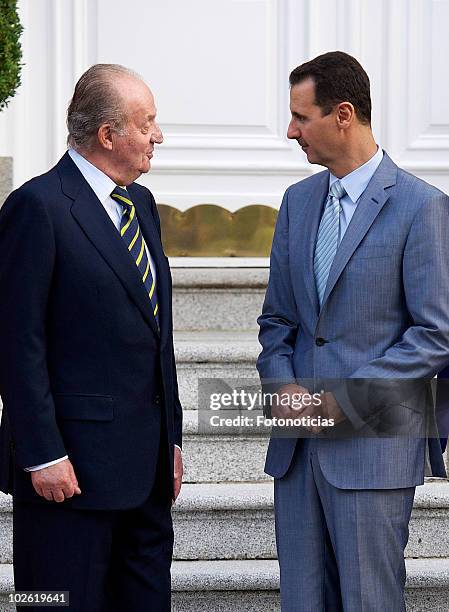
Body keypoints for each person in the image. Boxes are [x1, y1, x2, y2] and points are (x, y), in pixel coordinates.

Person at [256, 51, 449, 611]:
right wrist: (283, 386)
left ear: (343, 114)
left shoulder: (423, 208)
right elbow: (278, 321)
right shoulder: (296, 202)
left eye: (301, 117)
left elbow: (435, 335)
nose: (291, 131)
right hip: (296, 455)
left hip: (372, 452)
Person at [0, 63, 183, 612]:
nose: (158, 135)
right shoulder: (38, 207)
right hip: (67, 477)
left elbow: (157, 335)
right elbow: (16, 342)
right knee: (52, 605)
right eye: (147, 122)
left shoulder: (142, 206)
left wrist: (171, 439)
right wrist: (41, 454)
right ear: (108, 135)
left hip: (146, 476)